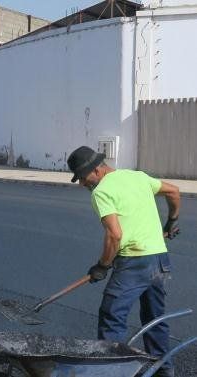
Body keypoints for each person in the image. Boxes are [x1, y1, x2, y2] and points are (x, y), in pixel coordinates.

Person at [68, 146, 180, 377]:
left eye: (82, 177)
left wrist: (102, 265)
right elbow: (174, 192)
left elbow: (114, 235)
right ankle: (163, 369)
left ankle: (112, 372)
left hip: (134, 262)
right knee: (154, 317)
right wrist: (171, 221)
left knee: (112, 316)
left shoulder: (101, 192)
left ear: (96, 170)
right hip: (159, 259)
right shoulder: (137, 177)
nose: (81, 184)